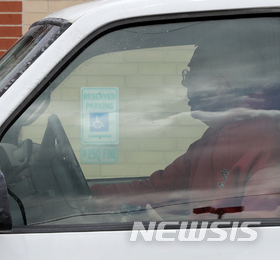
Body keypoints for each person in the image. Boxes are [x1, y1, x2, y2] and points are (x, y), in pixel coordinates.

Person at [90, 22, 280, 220]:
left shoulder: (265, 143)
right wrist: (88, 198)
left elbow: (260, 226)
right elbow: (157, 190)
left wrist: (179, 227)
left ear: (217, 85)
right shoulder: (213, 139)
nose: (184, 83)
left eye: (191, 75)